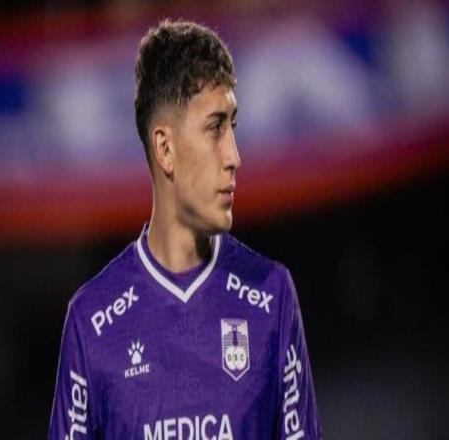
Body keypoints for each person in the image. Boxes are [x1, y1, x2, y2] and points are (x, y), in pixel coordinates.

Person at [48, 18, 322, 440]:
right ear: (165, 148)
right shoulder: (92, 322)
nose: (234, 156)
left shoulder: (271, 296)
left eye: (233, 127)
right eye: (215, 128)